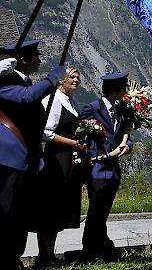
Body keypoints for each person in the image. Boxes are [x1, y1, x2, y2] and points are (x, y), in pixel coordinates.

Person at [0, 42, 66, 270]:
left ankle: (13, 257)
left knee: (19, 214)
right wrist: (51, 80)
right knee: (7, 213)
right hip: (9, 157)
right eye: (35, 56)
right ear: (24, 60)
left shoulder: (21, 79)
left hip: (25, 157)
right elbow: (27, 97)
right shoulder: (6, 81)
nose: (39, 60)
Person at [30, 67, 86, 267]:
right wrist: (72, 144)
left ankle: (51, 254)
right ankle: (43, 255)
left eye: (78, 77)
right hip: (54, 159)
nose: (76, 80)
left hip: (68, 159)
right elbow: (46, 132)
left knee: (58, 209)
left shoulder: (73, 102)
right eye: (72, 77)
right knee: (48, 208)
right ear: (61, 80)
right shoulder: (53, 100)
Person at [79, 71, 133, 259]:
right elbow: (80, 132)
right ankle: (94, 248)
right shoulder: (92, 108)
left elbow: (124, 134)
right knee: (96, 208)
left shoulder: (121, 110)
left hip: (114, 167)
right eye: (123, 88)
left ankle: (98, 246)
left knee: (103, 209)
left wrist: (128, 145)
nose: (125, 91)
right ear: (115, 90)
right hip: (97, 167)